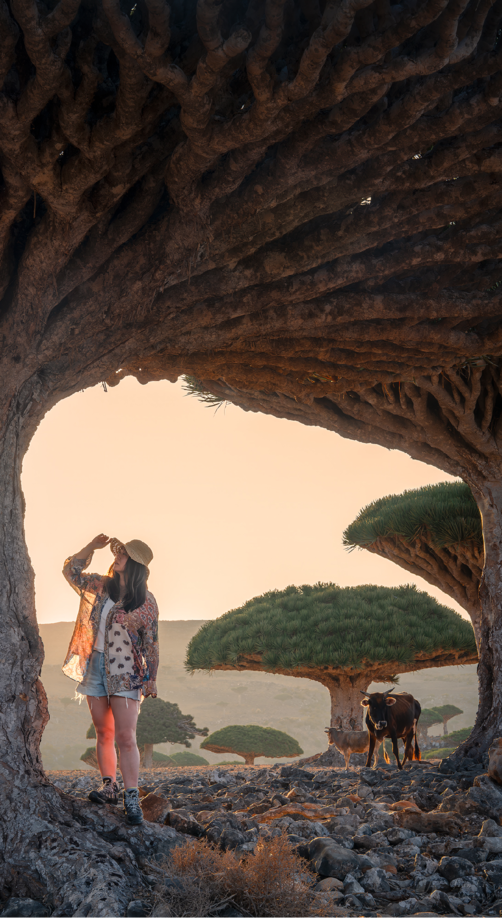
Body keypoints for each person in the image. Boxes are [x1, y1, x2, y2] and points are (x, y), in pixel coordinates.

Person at [62, 534, 159, 825]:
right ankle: (109, 786)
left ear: (137, 566)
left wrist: (152, 678)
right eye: (119, 553)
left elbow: (152, 643)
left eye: (125, 555)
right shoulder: (100, 586)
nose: (118, 557)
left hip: (126, 671)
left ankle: (132, 797)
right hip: (95, 665)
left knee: (126, 736)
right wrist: (90, 548)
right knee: (103, 732)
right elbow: (70, 571)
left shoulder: (146, 602)